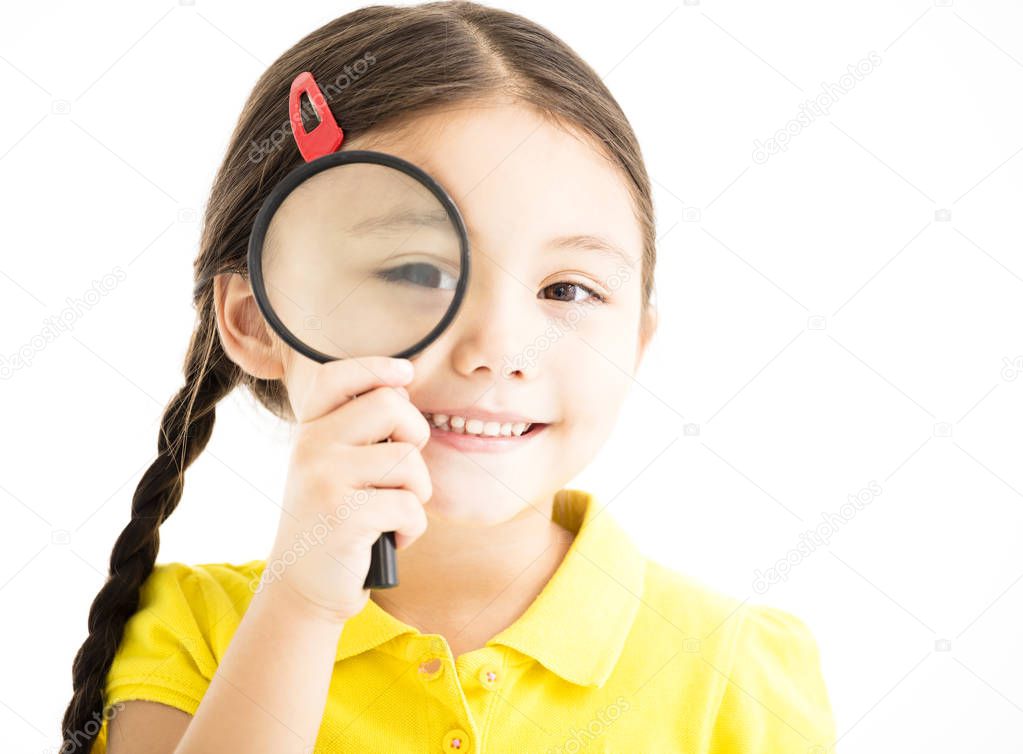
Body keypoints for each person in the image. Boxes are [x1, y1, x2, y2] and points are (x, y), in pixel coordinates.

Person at [61, 2, 836, 752]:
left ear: (637, 338)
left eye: (566, 290)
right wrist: (300, 608)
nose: (498, 348)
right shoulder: (190, 630)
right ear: (258, 320)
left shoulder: (738, 669)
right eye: (417, 269)